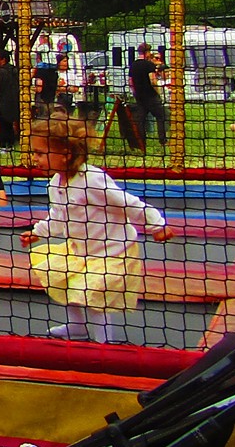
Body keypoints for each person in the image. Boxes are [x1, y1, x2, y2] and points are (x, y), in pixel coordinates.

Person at [21, 113, 170, 344]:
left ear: (66, 154)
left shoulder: (91, 179)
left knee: (91, 292)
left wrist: (156, 223)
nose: (34, 158)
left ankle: (104, 342)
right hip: (81, 250)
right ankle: (77, 327)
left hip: (112, 251)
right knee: (61, 277)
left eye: (40, 153)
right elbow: (59, 217)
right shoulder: (55, 184)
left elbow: (127, 202)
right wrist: (38, 232)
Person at [129, 44, 168, 146]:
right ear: (147, 52)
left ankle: (142, 142)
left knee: (141, 120)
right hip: (150, 96)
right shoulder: (148, 65)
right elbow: (153, 81)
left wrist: (135, 93)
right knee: (161, 116)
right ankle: (162, 140)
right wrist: (158, 93)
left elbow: (130, 82)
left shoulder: (133, 65)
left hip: (140, 97)